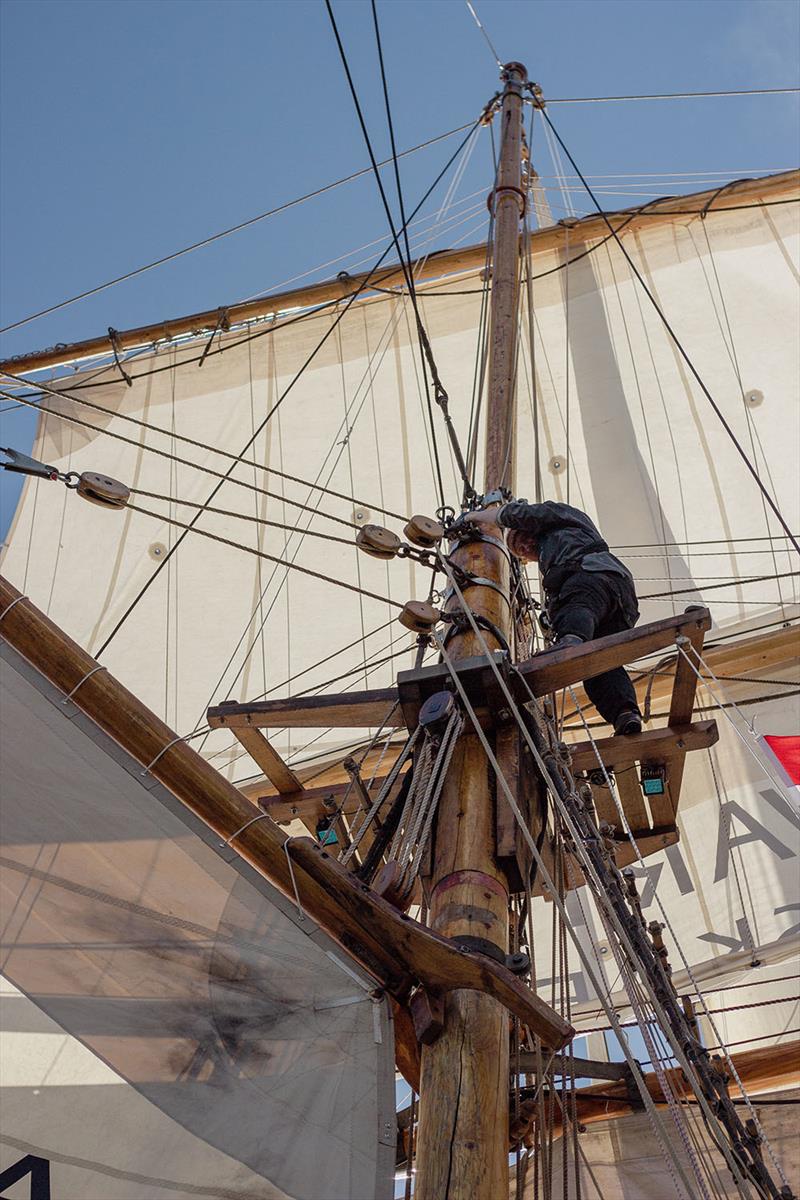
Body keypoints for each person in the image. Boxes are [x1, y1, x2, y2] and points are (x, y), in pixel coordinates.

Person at [465, 500, 643, 736]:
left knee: (577, 610)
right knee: (597, 666)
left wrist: (480, 516)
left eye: (523, 539)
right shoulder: (556, 566)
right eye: (520, 551)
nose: (526, 547)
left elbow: (527, 513)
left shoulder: (562, 517)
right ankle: (624, 714)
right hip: (617, 602)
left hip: (593, 576)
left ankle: (571, 641)